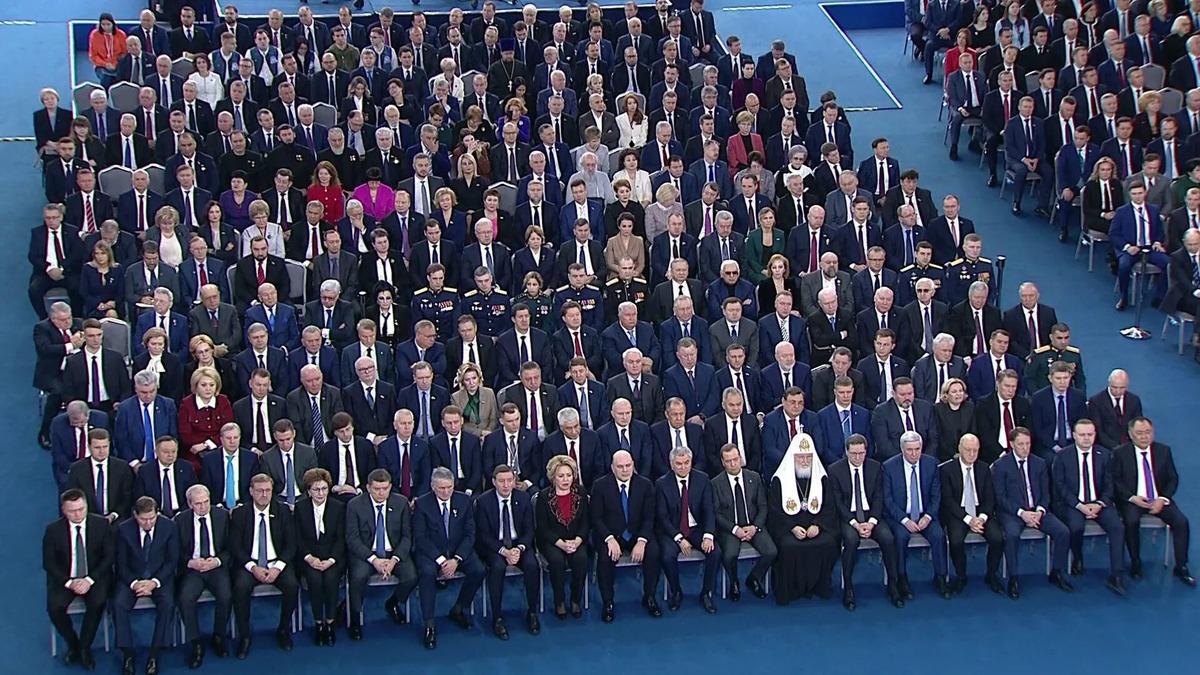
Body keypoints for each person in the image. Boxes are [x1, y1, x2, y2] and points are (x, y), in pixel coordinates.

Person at [992, 426, 1074, 598]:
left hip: (1038, 511)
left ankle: (1056, 572)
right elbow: (1000, 498)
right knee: (1012, 535)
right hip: (1013, 513)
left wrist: (1040, 510)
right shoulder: (1000, 466)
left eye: (1028, 444)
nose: (1025, 448)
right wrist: (1021, 513)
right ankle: (1013, 578)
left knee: (1063, 532)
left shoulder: (1039, 463)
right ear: (1012, 444)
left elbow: (1046, 492)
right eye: (1021, 444)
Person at [1112, 416, 1194, 586]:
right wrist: (1132, 498)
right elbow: (1115, 481)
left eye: (1148, 432)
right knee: (1131, 521)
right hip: (1133, 500)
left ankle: (1181, 565)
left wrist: (1162, 499)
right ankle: (1135, 562)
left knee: (1181, 522)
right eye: (1139, 433)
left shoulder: (1163, 451)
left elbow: (1172, 478)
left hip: (1158, 498)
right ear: (1130, 434)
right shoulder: (1120, 453)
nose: (1144, 437)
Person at [411, 467, 487, 649]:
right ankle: (429, 624)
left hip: (458, 550)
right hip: (431, 553)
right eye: (441, 488)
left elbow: (470, 534)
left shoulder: (464, 501)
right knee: (427, 573)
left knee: (478, 570)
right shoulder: (422, 504)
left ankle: (459, 608)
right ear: (433, 486)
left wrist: (457, 559)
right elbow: (420, 538)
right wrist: (441, 560)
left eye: (449, 487)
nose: (446, 492)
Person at [1051, 418, 1127, 594]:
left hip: (1099, 503)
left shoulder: (1105, 455)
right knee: (1075, 527)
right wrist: (1079, 505)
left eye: (1090, 434)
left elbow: (1109, 484)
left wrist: (1100, 503)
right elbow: (1060, 487)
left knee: (1117, 527)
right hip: (1073, 504)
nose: (1086, 438)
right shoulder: (1062, 456)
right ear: (1074, 435)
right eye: (1082, 435)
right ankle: (1077, 557)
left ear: (1095, 435)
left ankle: (1116, 574)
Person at [228, 473, 299, 658]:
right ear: (251, 492)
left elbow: (291, 544)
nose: (264, 495)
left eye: (268, 490)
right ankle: (244, 636)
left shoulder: (283, 511)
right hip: (250, 564)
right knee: (240, 588)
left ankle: (283, 630)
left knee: (292, 586)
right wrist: (252, 567)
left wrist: (278, 567)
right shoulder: (240, 514)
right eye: (260, 491)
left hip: (277, 563)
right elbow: (235, 546)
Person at [827, 434, 902, 609]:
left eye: (861, 453)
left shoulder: (875, 467)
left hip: (871, 516)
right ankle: (848, 588)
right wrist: (855, 523)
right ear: (846, 452)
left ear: (866, 452)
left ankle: (893, 585)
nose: (858, 457)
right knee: (851, 541)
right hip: (848, 518)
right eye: (854, 453)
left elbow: (879, 498)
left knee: (888, 538)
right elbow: (838, 503)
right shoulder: (835, 470)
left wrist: (872, 522)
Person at [44, 487, 115, 670]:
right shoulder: (53, 530)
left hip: (94, 577)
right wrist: (69, 582)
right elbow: (49, 563)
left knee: (97, 603)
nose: (77, 514)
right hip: (67, 579)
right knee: (54, 607)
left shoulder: (101, 525)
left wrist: (89, 580)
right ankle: (73, 643)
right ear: (63, 510)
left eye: (81, 509)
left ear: (86, 506)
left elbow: (109, 557)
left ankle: (84, 647)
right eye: (72, 511)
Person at [766, 433, 840, 604]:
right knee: (788, 546)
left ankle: (819, 587)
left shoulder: (821, 479)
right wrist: (792, 527)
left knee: (828, 542)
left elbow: (829, 507)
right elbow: (775, 511)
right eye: (801, 457)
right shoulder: (780, 480)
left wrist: (817, 525)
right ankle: (791, 590)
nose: (805, 461)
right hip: (789, 529)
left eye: (808, 457)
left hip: (816, 528)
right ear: (793, 457)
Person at [590, 449, 663, 621]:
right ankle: (608, 601)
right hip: (611, 534)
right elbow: (596, 518)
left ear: (633, 465)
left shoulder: (645, 485)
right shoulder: (600, 485)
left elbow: (649, 517)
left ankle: (649, 596)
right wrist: (609, 539)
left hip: (637, 534)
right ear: (612, 468)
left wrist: (642, 541)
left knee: (653, 552)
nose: (625, 470)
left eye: (628, 466)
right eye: (620, 466)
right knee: (606, 556)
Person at [345, 468, 417, 641]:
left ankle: (392, 603)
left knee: (411, 577)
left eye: (385, 488)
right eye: (377, 489)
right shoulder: (355, 505)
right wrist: (374, 560)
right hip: (366, 554)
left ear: (390, 486)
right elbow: (352, 538)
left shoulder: (401, 503)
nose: (381, 493)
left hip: (394, 553)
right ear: (368, 487)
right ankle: (355, 618)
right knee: (357, 577)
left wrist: (394, 560)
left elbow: (407, 536)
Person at [112, 496, 178, 675]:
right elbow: (121, 563)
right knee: (118, 604)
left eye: (152, 518)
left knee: (167, 604)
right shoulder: (123, 529)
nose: (148, 523)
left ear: (157, 513)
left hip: (159, 579)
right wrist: (135, 583)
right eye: (143, 519)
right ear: (135, 515)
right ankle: (128, 654)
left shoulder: (169, 527)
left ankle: (154, 655)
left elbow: (172, 561)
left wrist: (154, 582)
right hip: (132, 579)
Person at [474, 465, 542, 638]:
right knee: (497, 568)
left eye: (509, 481)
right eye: (501, 481)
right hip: (495, 547)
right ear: (493, 482)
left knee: (532, 565)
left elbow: (529, 530)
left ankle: (532, 612)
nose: (506, 485)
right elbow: (483, 535)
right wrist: (504, 551)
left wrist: (519, 549)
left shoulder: (523, 498)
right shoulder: (483, 502)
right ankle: (497, 617)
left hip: (519, 545)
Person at [882, 430, 951, 600]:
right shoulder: (889, 467)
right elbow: (887, 500)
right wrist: (905, 520)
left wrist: (928, 517)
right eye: (910, 450)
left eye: (917, 449)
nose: (914, 454)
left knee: (938, 536)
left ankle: (940, 576)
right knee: (900, 537)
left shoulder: (931, 464)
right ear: (902, 449)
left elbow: (936, 496)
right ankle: (901, 577)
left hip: (925, 514)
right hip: (900, 517)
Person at [938, 433, 1005, 595]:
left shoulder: (984, 468)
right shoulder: (947, 469)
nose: (972, 454)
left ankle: (991, 575)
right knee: (956, 541)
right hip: (959, 514)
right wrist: (969, 520)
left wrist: (981, 518)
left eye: (975, 450)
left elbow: (990, 498)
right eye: (968, 450)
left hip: (981, 513)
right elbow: (948, 501)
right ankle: (961, 576)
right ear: (960, 449)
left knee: (997, 538)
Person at [174, 484, 231, 669]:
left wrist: (217, 561)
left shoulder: (222, 516)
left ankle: (218, 636)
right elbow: (174, 552)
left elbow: (231, 547)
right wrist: (190, 562)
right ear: (190, 504)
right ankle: (196, 642)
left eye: (206, 502)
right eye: (198, 504)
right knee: (185, 598)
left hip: (216, 566)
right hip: (193, 569)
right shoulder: (180, 521)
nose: (203, 507)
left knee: (225, 595)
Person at [712, 443, 777, 601]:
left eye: (735, 459)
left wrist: (755, 527)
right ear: (723, 463)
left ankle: (754, 578)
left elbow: (763, 506)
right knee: (729, 555)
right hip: (730, 528)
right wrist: (735, 530)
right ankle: (734, 582)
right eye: (729, 461)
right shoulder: (715, 483)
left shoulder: (754, 477)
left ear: (740, 458)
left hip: (753, 525)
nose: (733, 464)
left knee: (771, 552)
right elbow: (717, 514)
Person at [535, 454, 590, 619]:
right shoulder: (544, 496)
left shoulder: (581, 492)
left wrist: (577, 541)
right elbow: (542, 528)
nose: (566, 479)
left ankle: (575, 599)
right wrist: (561, 544)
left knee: (581, 559)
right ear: (553, 477)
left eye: (569, 475)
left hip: (576, 539)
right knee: (557, 561)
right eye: (561, 476)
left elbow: (586, 522)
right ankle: (559, 601)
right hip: (552, 541)